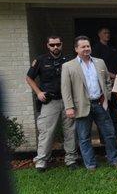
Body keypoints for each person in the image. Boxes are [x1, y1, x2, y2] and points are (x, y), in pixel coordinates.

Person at [61, 35, 117, 170]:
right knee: (84, 137)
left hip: (100, 103)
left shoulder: (100, 62)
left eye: (88, 46)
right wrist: (69, 107)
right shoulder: (68, 66)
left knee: (109, 134)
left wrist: (107, 96)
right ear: (76, 49)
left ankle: (113, 160)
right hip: (81, 105)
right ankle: (90, 164)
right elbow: (66, 89)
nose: (86, 49)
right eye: (83, 47)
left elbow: (106, 81)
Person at [26, 36, 78, 171]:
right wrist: (38, 92)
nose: (55, 47)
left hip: (68, 101)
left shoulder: (68, 60)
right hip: (50, 101)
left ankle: (71, 160)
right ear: (48, 46)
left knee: (70, 131)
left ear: (62, 44)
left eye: (58, 44)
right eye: (52, 45)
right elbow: (29, 77)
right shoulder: (41, 60)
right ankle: (42, 160)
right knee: (46, 132)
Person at [92, 27, 117, 136]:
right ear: (99, 35)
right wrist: (112, 76)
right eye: (105, 33)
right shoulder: (96, 49)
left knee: (115, 109)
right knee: (105, 110)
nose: (107, 35)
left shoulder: (112, 48)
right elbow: (97, 66)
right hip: (104, 83)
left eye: (108, 33)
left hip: (115, 82)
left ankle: (116, 133)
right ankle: (104, 137)